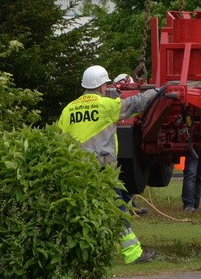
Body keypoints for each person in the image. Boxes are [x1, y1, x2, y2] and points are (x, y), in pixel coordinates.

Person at [58, 66, 159, 264]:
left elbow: (60, 136)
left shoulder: (68, 109)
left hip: (74, 169)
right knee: (117, 208)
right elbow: (136, 103)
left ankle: (79, 255)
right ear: (103, 86)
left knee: (84, 210)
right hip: (101, 169)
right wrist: (158, 90)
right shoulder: (106, 106)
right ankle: (132, 253)